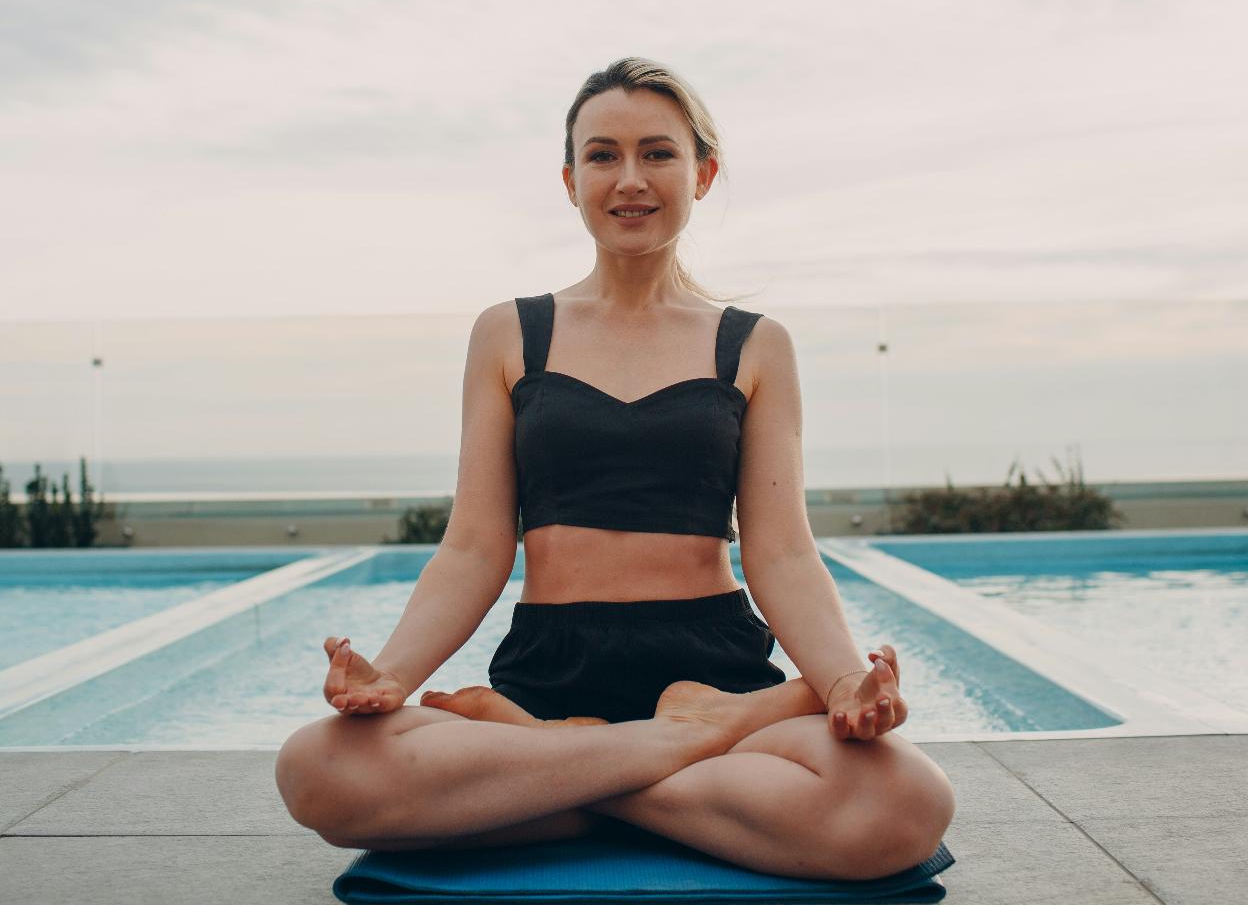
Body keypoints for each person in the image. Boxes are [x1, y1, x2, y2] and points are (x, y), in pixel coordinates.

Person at [275, 58, 956, 881]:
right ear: (570, 180)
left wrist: (843, 678)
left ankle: (555, 775)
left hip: (716, 672)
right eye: (603, 155)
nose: (629, 179)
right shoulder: (508, 332)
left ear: (701, 173)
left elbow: (782, 553)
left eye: (657, 154)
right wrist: (390, 675)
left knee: (906, 805)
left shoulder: (755, 344)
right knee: (318, 771)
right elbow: (473, 548)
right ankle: (675, 750)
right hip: (552, 670)